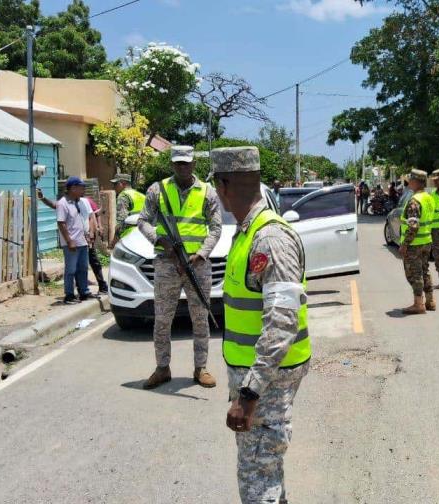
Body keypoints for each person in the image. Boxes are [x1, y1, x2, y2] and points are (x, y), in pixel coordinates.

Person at [212, 146, 310, 503]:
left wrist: (249, 394)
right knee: (263, 469)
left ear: (223, 186)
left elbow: (281, 324)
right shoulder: (247, 230)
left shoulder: (269, 237)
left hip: (268, 377)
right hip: (259, 372)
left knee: (257, 475)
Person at [137, 146, 222, 390]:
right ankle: (162, 368)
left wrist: (202, 253)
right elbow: (142, 221)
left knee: (200, 319)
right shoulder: (158, 189)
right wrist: (158, 239)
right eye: (177, 163)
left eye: (186, 163)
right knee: (162, 319)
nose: (182, 167)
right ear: (172, 164)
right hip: (166, 263)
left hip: (197, 265)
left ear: (194, 164)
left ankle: (200, 367)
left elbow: (216, 228)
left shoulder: (208, 192)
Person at [38, 188, 108, 295]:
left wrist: (94, 230)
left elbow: (94, 215)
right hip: (75, 240)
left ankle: (101, 285)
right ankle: (77, 291)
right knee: (75, 267)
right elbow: (54, 206)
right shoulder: (66, 203)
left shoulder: (86, 201)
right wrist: (43, 198)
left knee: (92, 262)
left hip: (87, 239)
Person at [398, 169, 436, 314]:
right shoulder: (428, 197)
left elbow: (413, 226)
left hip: (414, 244)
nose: (408, 182)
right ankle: (430, 301)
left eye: (410, 180)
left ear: (416, 182)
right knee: (425, 271)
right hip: (426, 240)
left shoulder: (415, 201)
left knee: (414, 274)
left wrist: (404, 244)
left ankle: (418, 304)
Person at [55, 177, 97, 304]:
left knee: (83, 268)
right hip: (71, 243)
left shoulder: (77, 202)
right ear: (73, 188)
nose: (83, 190)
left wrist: (88, 234)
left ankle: (84, 292)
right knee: (71, 270)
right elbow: (61, 223)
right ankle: (69, 295)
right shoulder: (63, 203)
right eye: (81, 187)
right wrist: (69, 241)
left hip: (82, 241)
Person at [109, 173, 146, 248]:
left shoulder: (123, 195)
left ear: (123, 183)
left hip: (130, 237)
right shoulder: (141, 195)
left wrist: (114, 241)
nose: (114, 187)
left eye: (115, 184)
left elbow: (121, 221)